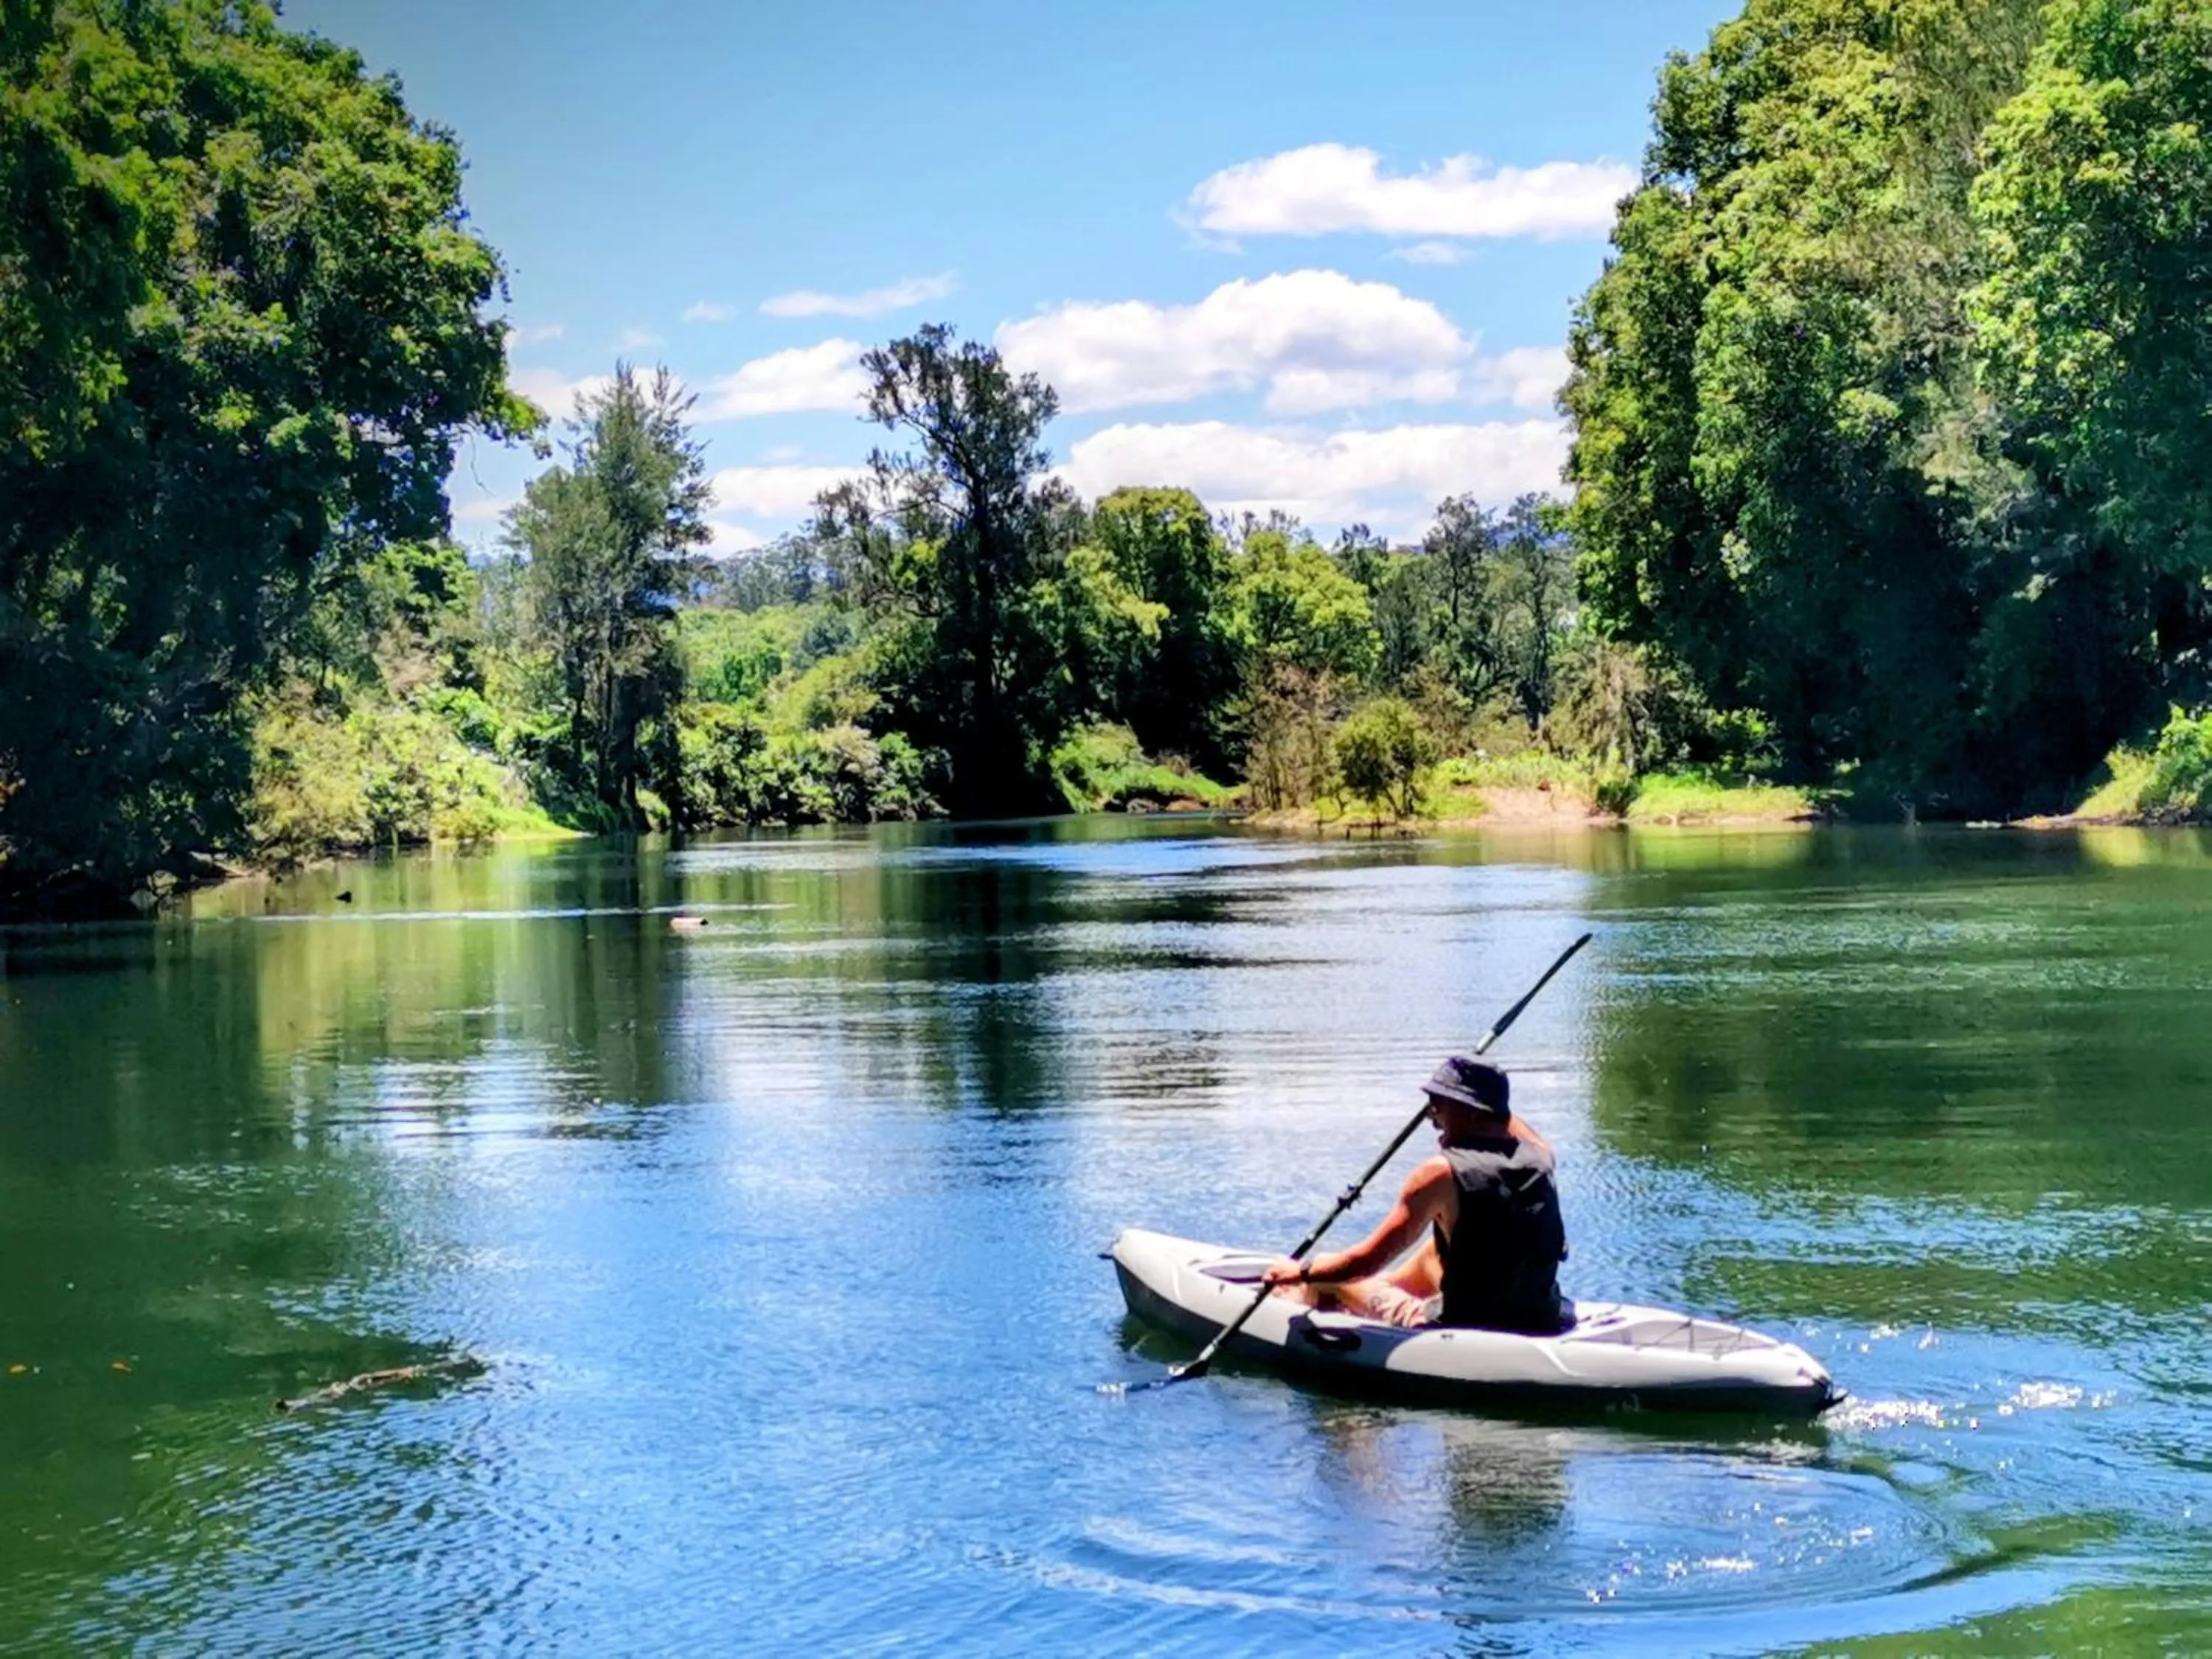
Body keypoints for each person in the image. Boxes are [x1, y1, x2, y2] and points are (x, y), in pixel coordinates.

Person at [1260, 1056, 1571, 1335]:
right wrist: (1486, 1092)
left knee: (1328, 1270)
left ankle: (1297, 1306)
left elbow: (1363, 1263)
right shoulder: (1541, 1158)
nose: (1432, 1118)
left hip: (1465, 1326)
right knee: (1435, 1247)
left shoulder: (1439, 1173)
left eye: (1438, 1106)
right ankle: (1382, 1293)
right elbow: (1502, 1118)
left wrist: (1299, 1271)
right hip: (1540, 1316)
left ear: (1473, 1113)